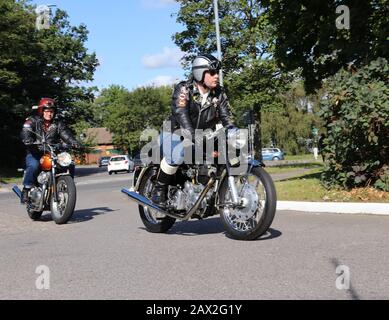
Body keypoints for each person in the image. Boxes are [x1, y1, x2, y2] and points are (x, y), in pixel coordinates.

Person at [151, 54, 236, 206]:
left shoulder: (219, 93)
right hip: (175, 132)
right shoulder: (184, 89)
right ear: (200, 73)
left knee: (227, 153)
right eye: (212, 72)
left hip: (201, 136)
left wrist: (232, 130)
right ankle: (159, 189)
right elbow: (180, 113)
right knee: (180, 153)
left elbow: (226, 116)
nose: (216, 76)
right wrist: (192, 135)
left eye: (217, 72)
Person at [20, 98, 80, 204]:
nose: (49, 113)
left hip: (52, 152)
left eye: (51, 111)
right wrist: (28, 139)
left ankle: (67, 186)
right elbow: (26, 131)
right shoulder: (33, 121)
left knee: (69, 163)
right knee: (34, 166)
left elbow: (66, 134)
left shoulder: (58, 124)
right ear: (42, 111)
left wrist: (74, 142)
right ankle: (26, 188)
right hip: (35, 152)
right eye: (47, 111)